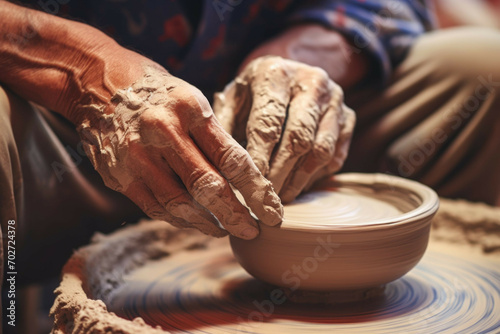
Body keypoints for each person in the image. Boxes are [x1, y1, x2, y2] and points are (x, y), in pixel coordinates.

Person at [1, 0, 499, 300]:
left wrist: (299, 57)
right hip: (53, 119)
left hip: (263, 129)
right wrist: (84, 70)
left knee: (485, 69)